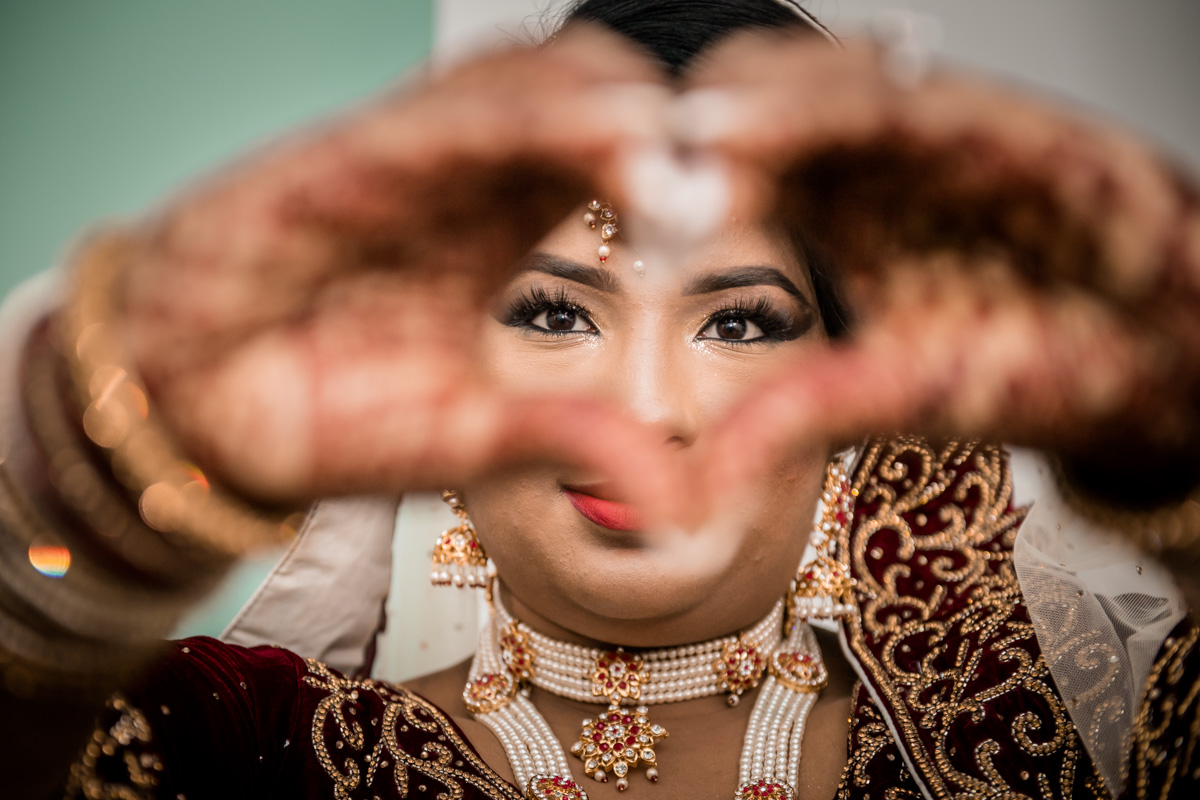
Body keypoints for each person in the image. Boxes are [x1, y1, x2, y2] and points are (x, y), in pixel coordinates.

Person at [3, 1, 1199, 799]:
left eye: (739, 321)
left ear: (854, 391)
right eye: (554, 312)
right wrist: (102, 458)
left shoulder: (1063, 734)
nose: (647, 409)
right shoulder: (239, 748)